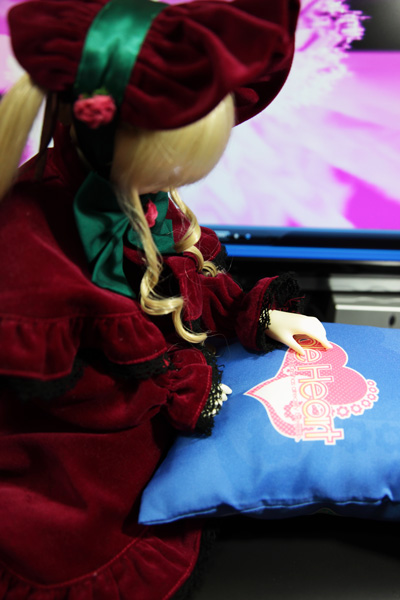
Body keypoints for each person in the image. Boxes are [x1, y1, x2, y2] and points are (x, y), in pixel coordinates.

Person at [0, 0, 331, 597]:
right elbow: (82, 390)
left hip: (151, 450)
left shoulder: (139, 197)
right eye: (171, 160)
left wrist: (255, 313)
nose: (178, 181)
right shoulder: (32, 238)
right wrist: (182, 386)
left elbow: (185, 278)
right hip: (77, 478)